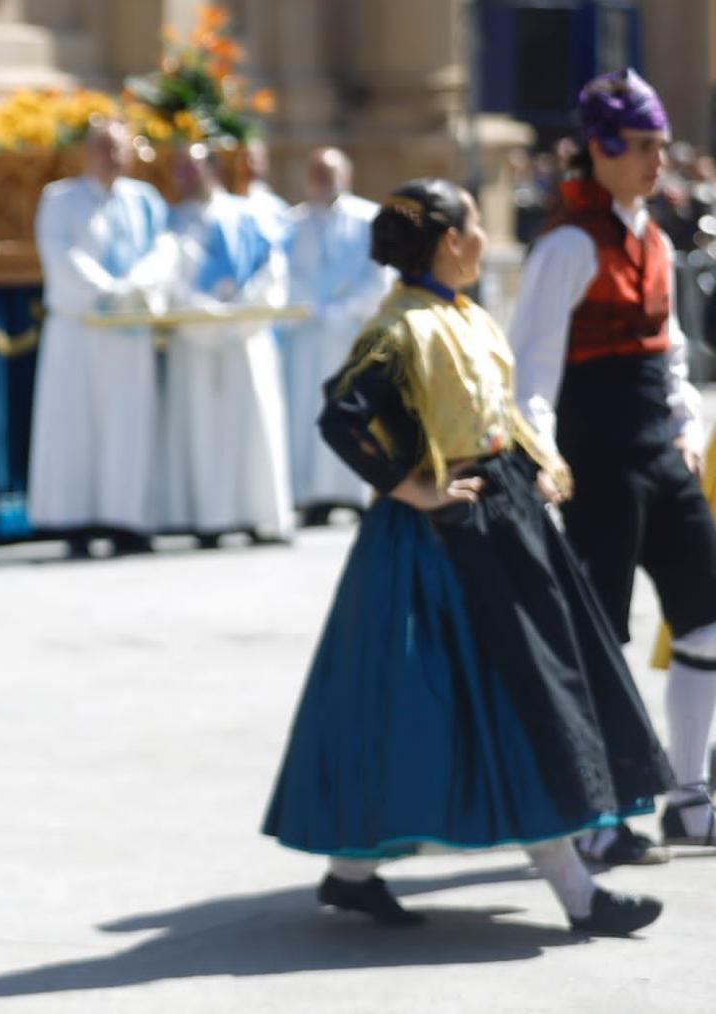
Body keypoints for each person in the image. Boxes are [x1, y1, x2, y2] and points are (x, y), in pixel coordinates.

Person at [263, 178, 671, 935]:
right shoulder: (399, 329)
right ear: (451, 238)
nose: (485, 235)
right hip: (447, 545)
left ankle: (352, 874)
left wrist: (541, 461)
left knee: (482, 705)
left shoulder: (463, 313)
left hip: (506, 520)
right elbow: (341, 416)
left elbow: (498, 410)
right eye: (477, 223)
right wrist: (413, 490)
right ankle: (580, 895)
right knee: (516, 704)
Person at [507, 68, 716, 862]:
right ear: (599, 149)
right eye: (644, 146)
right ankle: (597, 817)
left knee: (707, 621)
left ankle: (689, 801)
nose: (659, 160)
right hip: (593, 461)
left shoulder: (658, 239)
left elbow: (669, 352)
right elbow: (533, 370)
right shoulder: (565, 246)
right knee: (601, 639)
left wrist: (686, 424)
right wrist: (544, 456)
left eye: (663, 146)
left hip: (660, 458)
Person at [26, 117, 173, 554]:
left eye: (119, 148)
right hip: (81, 330)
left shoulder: (145, 201)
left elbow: (163, 253)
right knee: (77, 425)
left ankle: (129, 519)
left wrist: (132, 290)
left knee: (129, 424)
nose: (112, 157)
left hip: (128, 331)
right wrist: (104, 292)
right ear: (88, 152)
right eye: (104, 148)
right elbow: (60, 252)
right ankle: (77, 521)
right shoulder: (61, 199)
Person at [157, 143, 295, 545]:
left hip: (246, 339)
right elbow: (169, 280)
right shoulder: (171, 223)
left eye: (192, 166)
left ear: (212, 169)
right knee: (202, 429)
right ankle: (208, 518)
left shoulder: (248, 214)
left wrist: (240, 317)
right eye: (178, 167)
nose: (185, 175)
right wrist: (205, 317)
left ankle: (259, 516)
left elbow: (272, 271)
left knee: (254, 429)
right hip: (197, 342)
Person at [282, 148, 391, 523]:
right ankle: (312, 494)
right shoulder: (292, 223)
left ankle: (356, 490)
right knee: (309, 410)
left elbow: (379, 272)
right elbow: (286, 273)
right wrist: (312, 306)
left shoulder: (368, 218)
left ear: (346, 177)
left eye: (330, 174)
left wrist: (346, 310)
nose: (323, 182)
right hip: (309, 336)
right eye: (317, 174)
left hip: (352, 333)